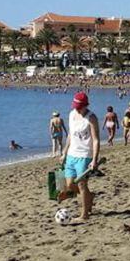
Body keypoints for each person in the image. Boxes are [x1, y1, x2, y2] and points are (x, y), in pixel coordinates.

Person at [57, 92, 100, 220]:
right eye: (75, 106)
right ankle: (89, 196)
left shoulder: (91, 118)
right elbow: (70, 135)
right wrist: (64, 152)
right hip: (71, 154)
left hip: (85, 155)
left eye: (79, 106)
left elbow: (96, 140)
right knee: (69, 185)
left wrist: (94, 160)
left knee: (82, 185)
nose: (76, 108)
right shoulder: (71, 114)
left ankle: (84, 214)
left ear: (85, 105)